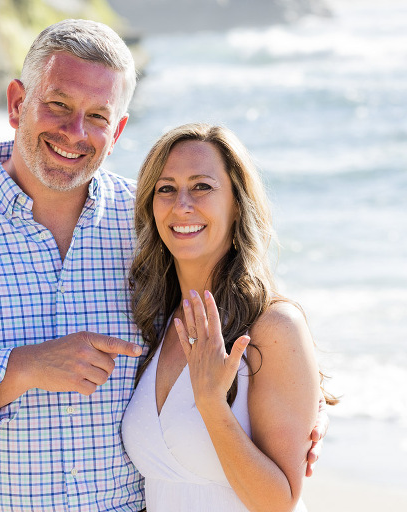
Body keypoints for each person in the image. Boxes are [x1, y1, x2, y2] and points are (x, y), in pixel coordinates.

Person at [0, 19, 325, 512]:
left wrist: (305, 407)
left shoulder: (149, 221)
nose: (74, 132)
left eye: (97, 116)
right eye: (58, 105)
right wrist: (22, 367)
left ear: (118, 130)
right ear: (17, 103)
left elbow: (246, 309)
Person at [122, 123, 337, 511]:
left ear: (237, 203)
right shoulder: (156, 322)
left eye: (202, 186)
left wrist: (211, 403)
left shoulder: (273, 326)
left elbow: (279, 502)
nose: (181, 204)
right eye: (165, 188)